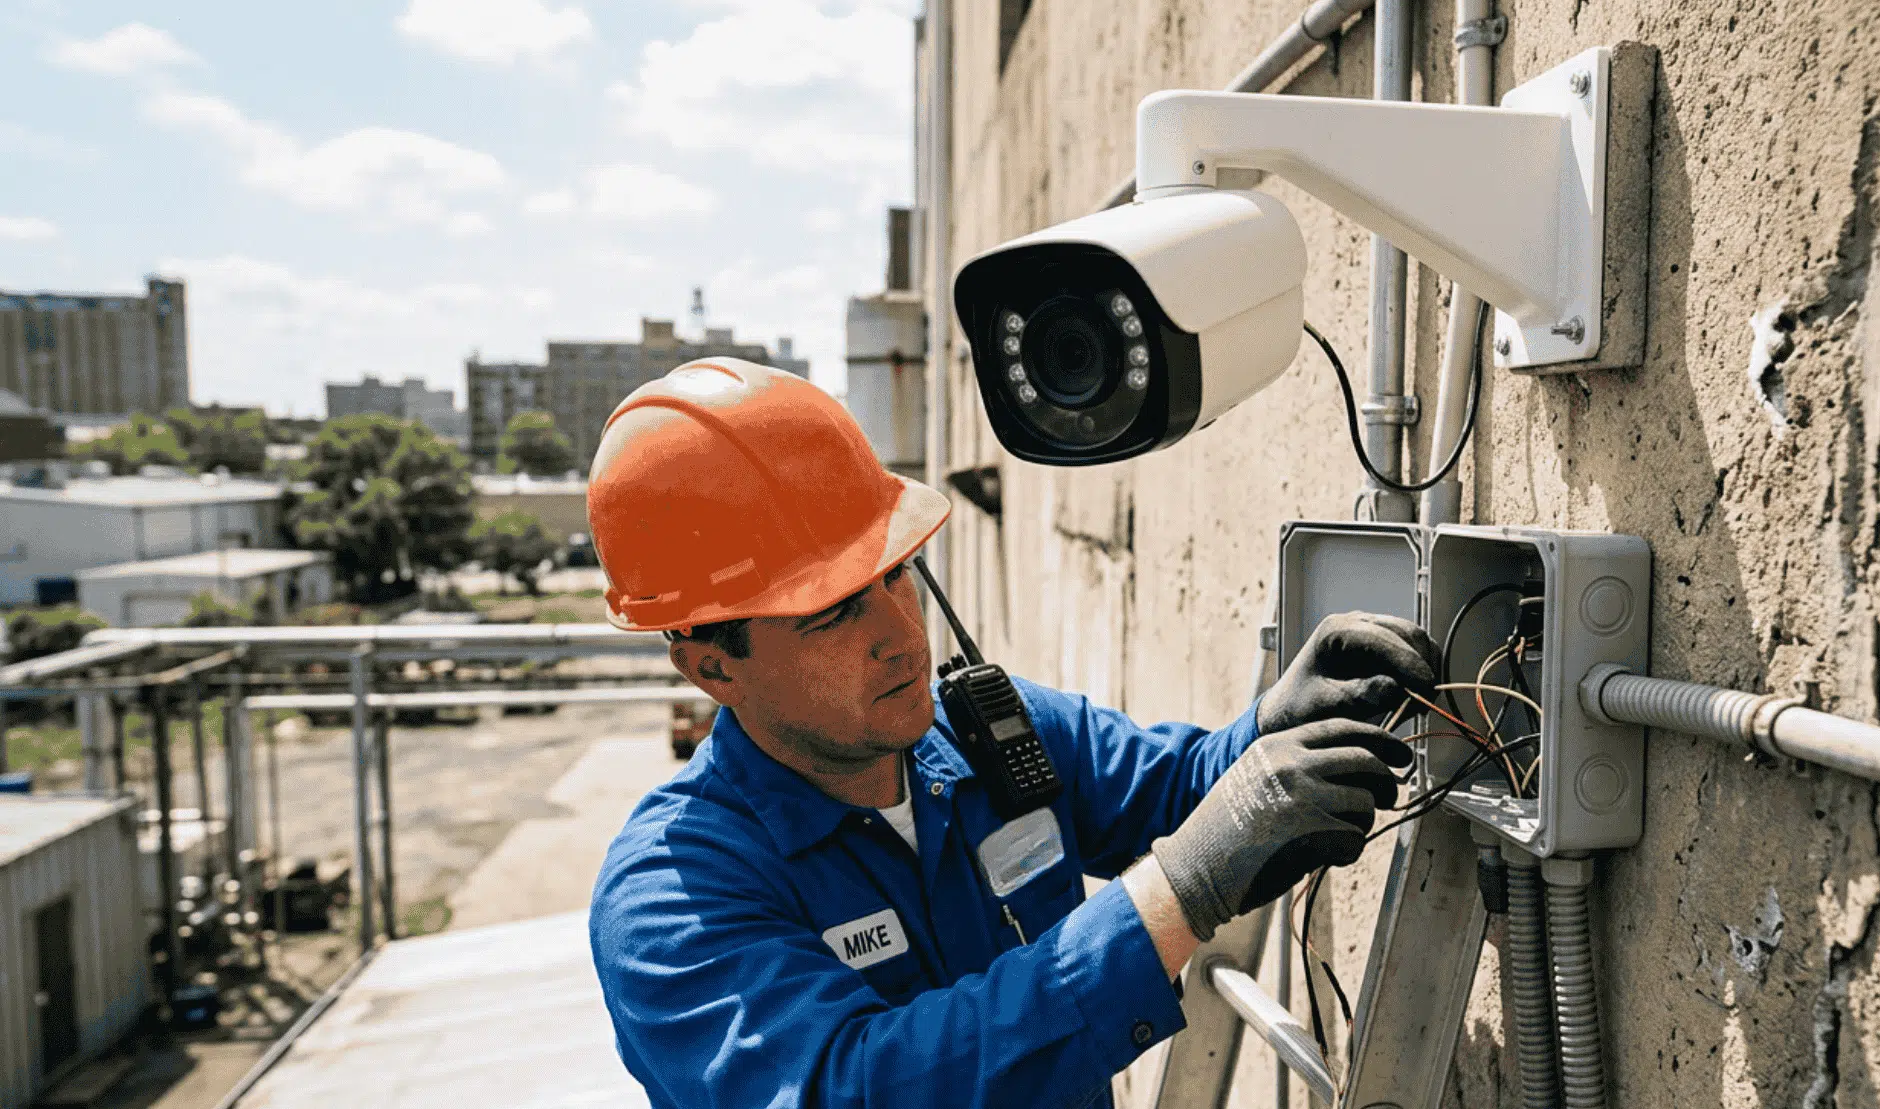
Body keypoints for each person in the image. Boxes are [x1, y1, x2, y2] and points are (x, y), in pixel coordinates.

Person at [586, 358, 1437, 1109]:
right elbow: (852, 1088)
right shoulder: (672, 894)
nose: (899, 633)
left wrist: (1267, 727)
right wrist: (1177, 892)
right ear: (713, 669)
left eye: (895, 574)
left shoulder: (983, 732)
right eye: (834, 612)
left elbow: (1179, 793)